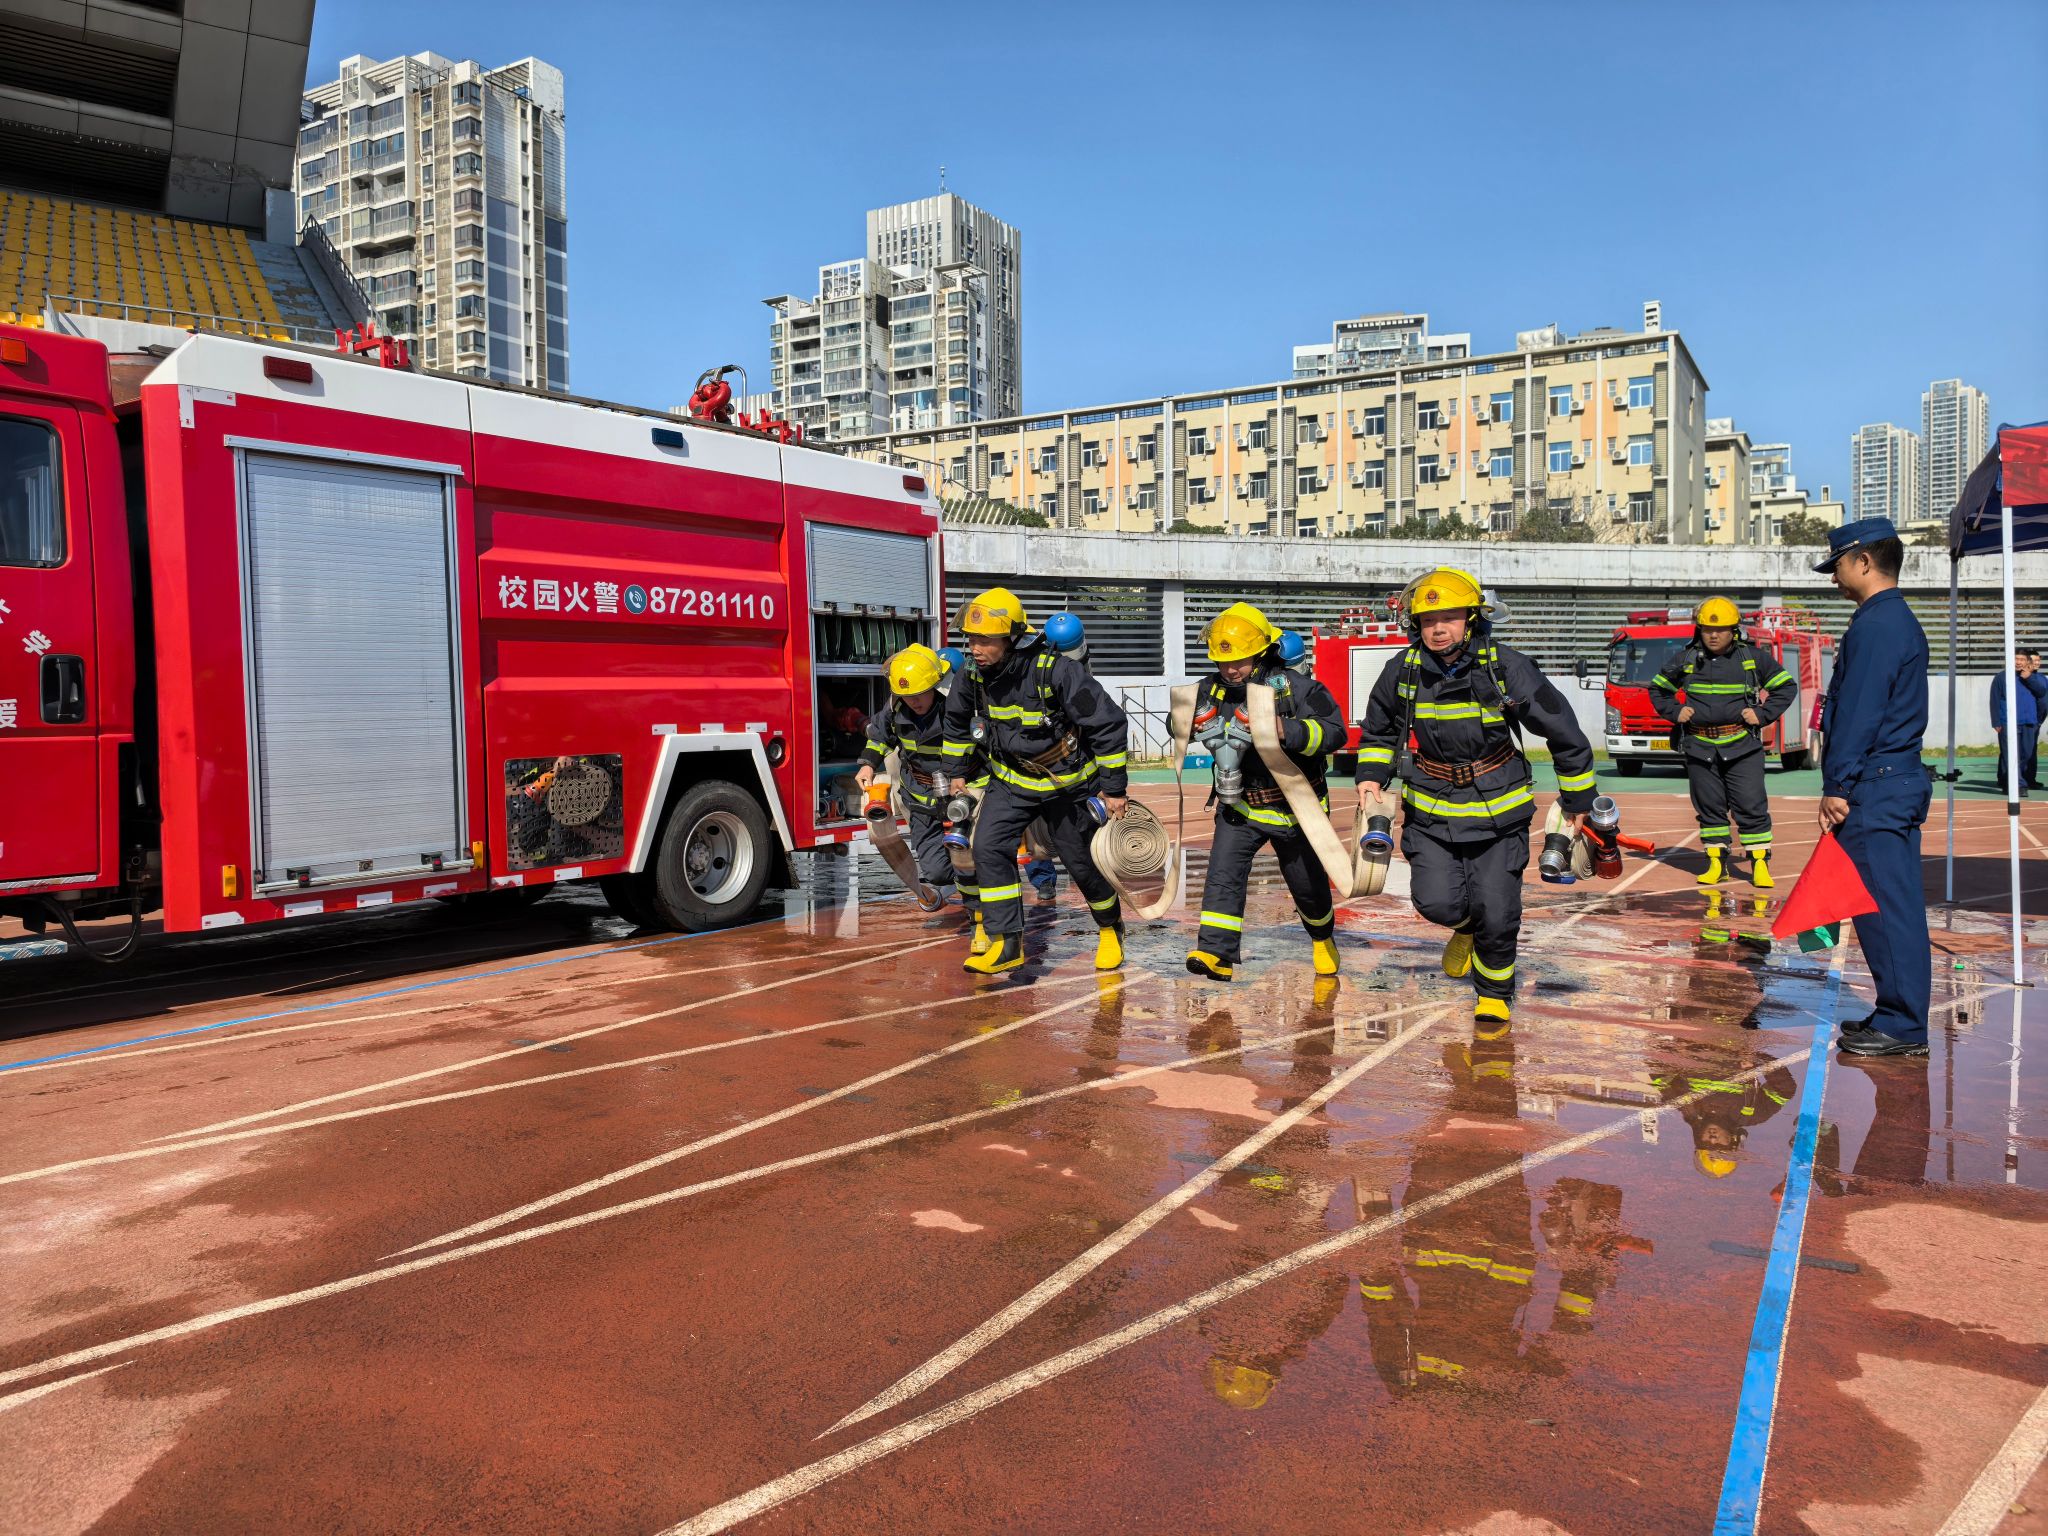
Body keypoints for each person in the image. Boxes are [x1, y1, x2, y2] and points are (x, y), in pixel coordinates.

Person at [1354, 568, 1599, 1027]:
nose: (1438, 629)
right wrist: (1371, 775)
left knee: (1499, 910)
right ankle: (1464, 929)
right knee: (1436, 904)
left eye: (1448, 618)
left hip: (1499, 810)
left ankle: (1493, 993)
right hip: (1430, 809)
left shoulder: (1506, 667)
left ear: (1472, 619)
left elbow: (1562, 730)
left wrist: (1576, 798)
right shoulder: (1402, 671)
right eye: (1428, 621)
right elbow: (1379, 731)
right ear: (1416, 626)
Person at [942, 587, 1132, 975]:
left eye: (985, 640)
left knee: (1081, 864)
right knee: (989, 849)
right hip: (1011, 782)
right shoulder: (972, 675)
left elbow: (1108, 723)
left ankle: (1111, 929)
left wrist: (1113, 789)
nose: (975, 648)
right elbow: (956, 723)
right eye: (971, 639)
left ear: (1013, 638)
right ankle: (1007, 942)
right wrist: (958, 770)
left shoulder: (1056, 670)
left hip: (1066, 786)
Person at [1815, 517, 1933, 1058]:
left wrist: (1837, 782)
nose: (1834, 577)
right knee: (1883, 905)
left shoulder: (1878, 624)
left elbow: (1861, 710)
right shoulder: (1887, 620)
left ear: (1862, 561)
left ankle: (1904, 1024)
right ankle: (1894, 1012)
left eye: (1837, 564)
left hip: (1876, 783)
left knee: (1887, 907)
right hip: (1887, 778)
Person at [1184, 601, 1347, 981]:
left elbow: (1334, 731)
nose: (1230, 669)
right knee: (1222, 875)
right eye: (1223, 662)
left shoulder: (1298, 688)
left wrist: (1288, 730)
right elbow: (1176, 724)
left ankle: (1322, 937)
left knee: (1307, 886)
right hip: (1240, 805)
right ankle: (1216, 954)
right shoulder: (1209, 690)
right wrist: (1184, 725)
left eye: (1239, 661)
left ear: (1262, 653)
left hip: (1295, 806)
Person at [1648, 597, 1798, 888]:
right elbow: (1658, 689)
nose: (1714, 635)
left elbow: (1786, 687)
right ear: (1699, 631)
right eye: (1706, 630)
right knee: (1710, 808)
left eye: (1721, 630)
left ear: (1734, 631)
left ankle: (1759, 865)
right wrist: (1675, 712)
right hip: (1700, 748)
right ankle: (1717, 863)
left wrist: (1762, 714)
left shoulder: (1753, 659)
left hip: (1743, 748)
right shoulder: (1685, 659)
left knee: (1751, 807)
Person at [856, 643, 982, 940]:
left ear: (935, 685)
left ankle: (980, 912)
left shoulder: (957, 706)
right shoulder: (896, 707)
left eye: (919, 694)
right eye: (907, 696)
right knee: (937, 873)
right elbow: (878, 738)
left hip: (960, 793)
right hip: (920, 795)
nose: (914, 702)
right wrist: (867, 766)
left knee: (972, 858)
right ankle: (956, 888)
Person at [1989, 647, 2046, 795]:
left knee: (2026, 754)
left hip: (2029, 722)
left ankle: (2014, 781)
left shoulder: (2033, 678)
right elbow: (1994, 699)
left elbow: (2042, 693)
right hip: (2007, 723)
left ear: (2027, 662)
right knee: (2009, 754)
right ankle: (2018, 785)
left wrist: (2029, 677)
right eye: (2016, 659)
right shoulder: (2001, 677)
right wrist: (1996, 722)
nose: (2018, 662)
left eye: (2022, 660)